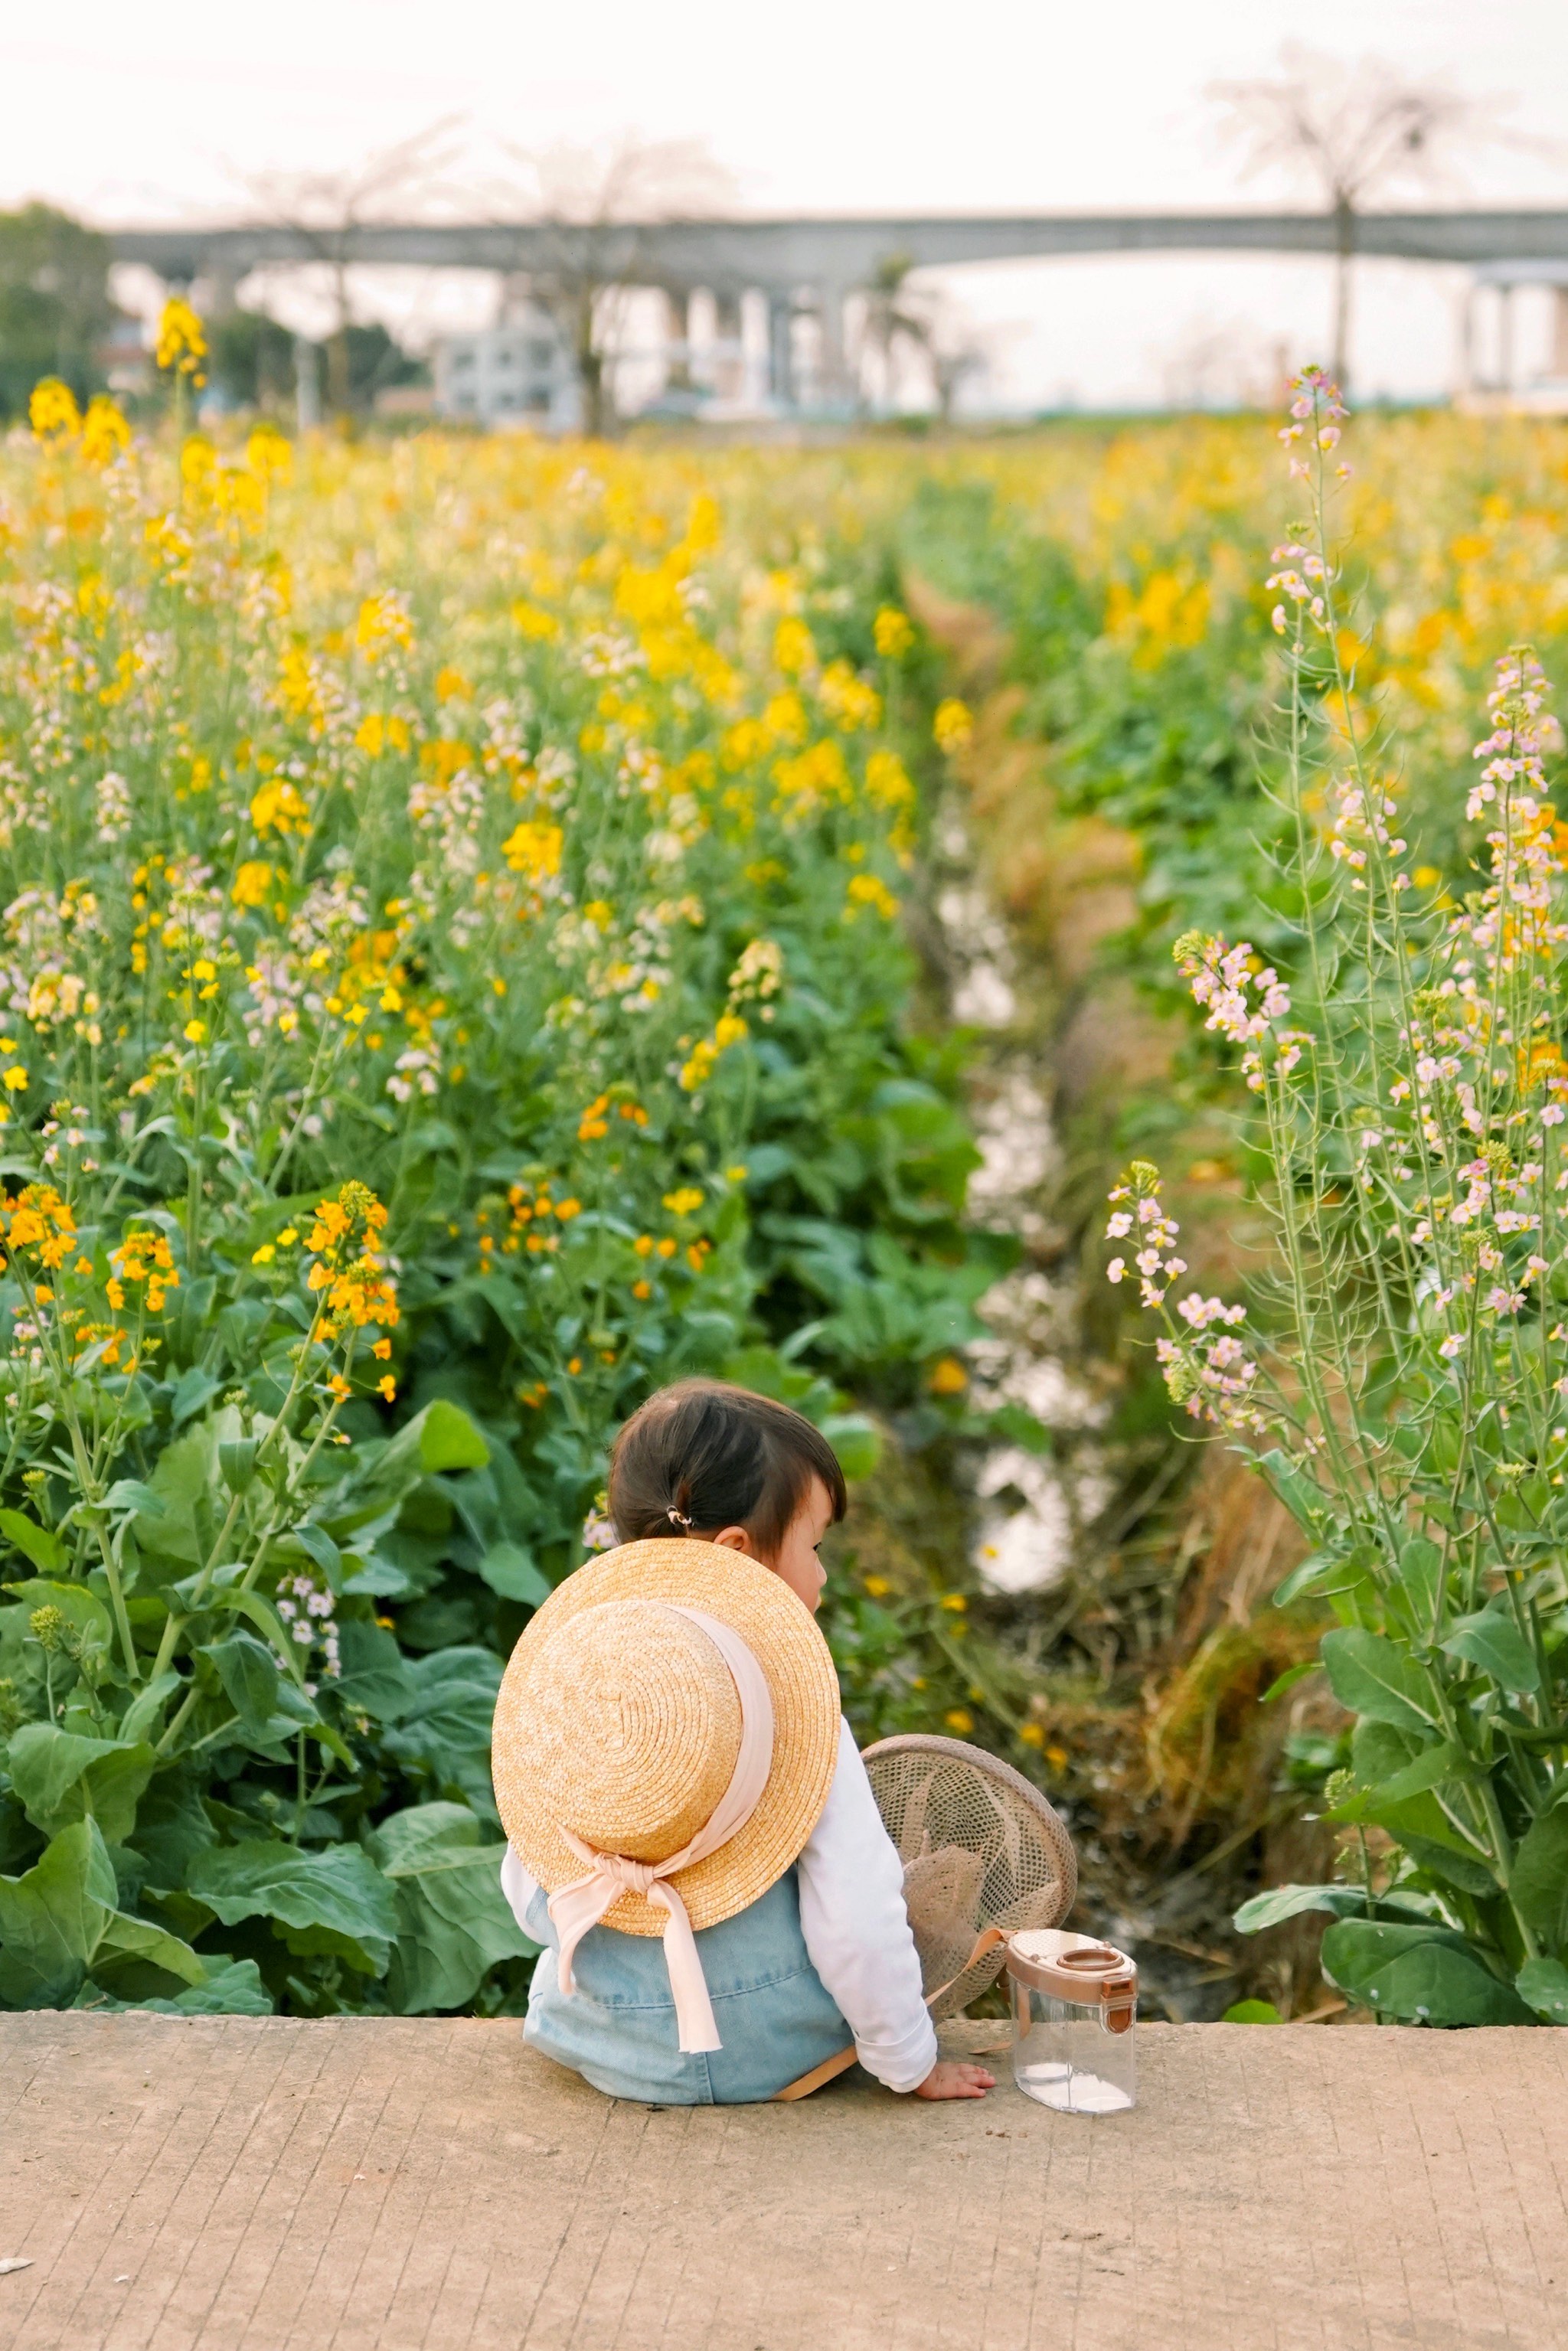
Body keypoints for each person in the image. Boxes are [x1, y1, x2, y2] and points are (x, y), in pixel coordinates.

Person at [492, 1376, 995, 2106]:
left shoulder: (580, 1688)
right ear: (737, 1552)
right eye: (815, 1546)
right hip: (764, 2044)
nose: (822, 1574)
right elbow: (856, 1915)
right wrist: (909, 2060)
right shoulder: (795, 1712)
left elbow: (528, 1892)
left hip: (597, 2036)